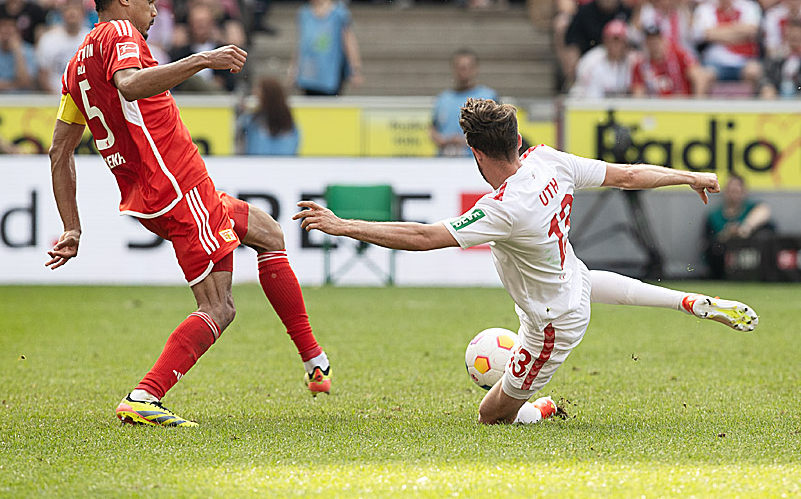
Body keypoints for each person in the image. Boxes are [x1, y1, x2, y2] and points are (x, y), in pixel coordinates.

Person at [295, 98, 758, 426]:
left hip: (552, 323)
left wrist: (345, 225)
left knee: (491, 415)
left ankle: (542, 406)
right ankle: (689, 301)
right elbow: (629, 174)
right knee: (585, 281)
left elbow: (424, 236)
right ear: (518, 139)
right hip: (569, 275)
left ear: (476, 153)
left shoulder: (502, 209)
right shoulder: (547, 160)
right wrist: (690, 176)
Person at [46, 0, 333, 427]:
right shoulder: (120, 34)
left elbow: (59, 150)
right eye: (151, 1)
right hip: (176, 185)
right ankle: (145, 395)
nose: (156, 11)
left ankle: (313, 359)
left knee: (267, 231)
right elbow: (132, 84)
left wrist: (72, 226)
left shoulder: (76, 64)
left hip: (158, 189)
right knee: (218, 308)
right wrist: (202, 59)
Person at [291, 0, 363, 97]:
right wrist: (293, 69)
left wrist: (355, 69)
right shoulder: (304, 13)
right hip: (309, 73)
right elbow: (301, 43)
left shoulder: (339, 12)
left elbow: (349, 41)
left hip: (330, 74)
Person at [690, 0, 762, 83]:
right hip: (714, 63)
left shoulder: (749, 6)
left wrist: (718, 32)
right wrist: (739, 33)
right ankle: (699, 101)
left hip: (744, 60)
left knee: (755, 71)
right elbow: (705, 34)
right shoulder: (704, 9)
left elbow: (751, 31)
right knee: (702, 76)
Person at [703, 174, 773, 280]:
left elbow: (764, 211)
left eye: (737, 190)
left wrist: (744, 228)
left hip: (751, 261)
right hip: (725, 264)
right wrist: (726, 234)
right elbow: (707, 242)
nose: (734, 194)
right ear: (725, 191)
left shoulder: (752, 209)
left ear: (744, 191)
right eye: (731, 190)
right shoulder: (715, 216)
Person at [431, 49, 498, 156]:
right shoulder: (443, 98)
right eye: (460, 67)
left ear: (476, 68)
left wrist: (466, 141)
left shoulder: (488, 97)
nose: (463, 71)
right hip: (445, 161)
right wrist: (443, 140)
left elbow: (496, 131)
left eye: (467, 67)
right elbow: (433, 128)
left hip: (476, 162)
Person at [631, 25, 713, 98]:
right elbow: (638, 94)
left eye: (656, 39)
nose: (654, 43)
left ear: (662, 40)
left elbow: (701, 76)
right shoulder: (641, 65)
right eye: (650, 40)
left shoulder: (678, 55)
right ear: (645, 43)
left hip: (680, 106)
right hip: (655, 109)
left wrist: (696, 104)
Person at [756, 19, 801, 100]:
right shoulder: (776, 58)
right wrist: (768, 87)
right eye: (792, 38)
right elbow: (766, 77)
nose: (794, 42)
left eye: (797, 38)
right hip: (777, 96)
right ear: (785, 36)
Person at [568, 19, 636, 99]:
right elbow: (583, 92)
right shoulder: (590, 62)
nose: (615, 45)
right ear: (605, 41)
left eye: (619, 41)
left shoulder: (634, 62)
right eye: (612, 40)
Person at [236, 77, 301, 156]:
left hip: (264, 163)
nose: (254, 92)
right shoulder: (252, 119)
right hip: (276, 164)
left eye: (258, 90)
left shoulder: (254, 120)